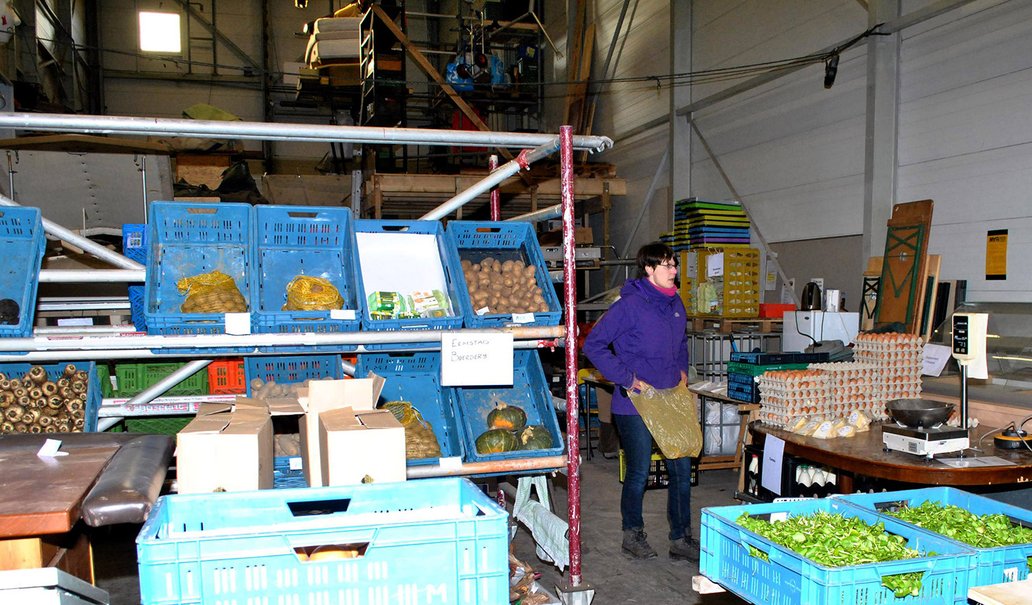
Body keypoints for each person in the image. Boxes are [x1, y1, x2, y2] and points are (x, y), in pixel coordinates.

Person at [582, 241, 696, 562]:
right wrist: (628, 378)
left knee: (681, 467)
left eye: (675, 265)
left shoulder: (675, 303)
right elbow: (595, 345)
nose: (674, 271)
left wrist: (682, 370)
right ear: (649, 269)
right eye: (667, 266)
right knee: (639, 471)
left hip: (669, 399)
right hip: (634, 403)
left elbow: (681, 342)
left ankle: (681, 538)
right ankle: (632, 534)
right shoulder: (629, 306)